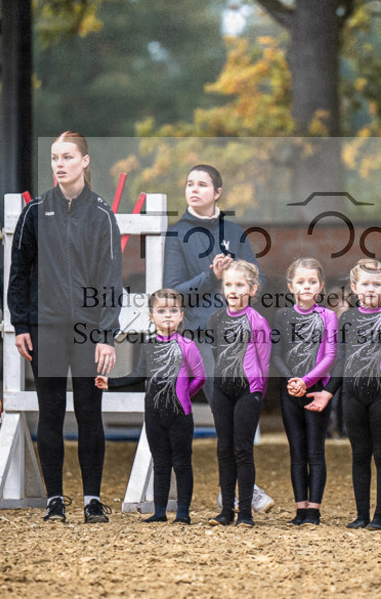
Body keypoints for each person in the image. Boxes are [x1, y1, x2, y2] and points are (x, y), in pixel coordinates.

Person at [8, 131, 122, 524]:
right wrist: (20, 321)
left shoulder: (102, 215)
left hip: (90, 331)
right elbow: (19, 272)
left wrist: (107, 334)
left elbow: (111, 278)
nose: (59, 164)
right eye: (55, 157)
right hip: (46, 328)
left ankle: (92, 500)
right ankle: (54, 500)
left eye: (68, 157)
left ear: (85, 162)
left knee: (90, 414)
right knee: (50, 413)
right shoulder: (35, 212)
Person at [163, 164, 274, 513]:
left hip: (240, 338)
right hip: (200, 338)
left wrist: (239, 282)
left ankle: (238, 490)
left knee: (242, 413)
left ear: (218, 192)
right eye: (189, 184)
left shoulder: (235, 231)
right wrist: (211, 276)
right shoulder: (176, 234)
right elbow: (172, 293)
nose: (194, 189)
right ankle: (240, 491)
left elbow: (261, 282)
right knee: (223, 413)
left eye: (202, 184)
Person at [96, 288, 205, 524]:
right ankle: (159, 511)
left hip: (180, 415)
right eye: (162, 311)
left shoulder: (186, 345)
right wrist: (111, 383)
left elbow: (200, 377)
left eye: (173, 311)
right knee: (161, 464)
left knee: (182, 463)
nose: (168, 315)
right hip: (154, 415)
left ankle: (183, 512)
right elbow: (138, 375)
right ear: (151, 316)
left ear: (181, 315)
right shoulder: (148, 346)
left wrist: (183, 395)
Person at [336, 258, 381, 530]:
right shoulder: (348, 319)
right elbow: (341, 360)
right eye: (365, 283)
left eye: (376, 284)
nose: (370, 289)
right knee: (359, 454)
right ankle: (361, 514)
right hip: (352, 396)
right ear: (354, 287)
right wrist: (331, 394)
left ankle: (380, 517)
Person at [273, 258, 340, 526]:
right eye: (300, 282)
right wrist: (291, 379)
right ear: (291, 286)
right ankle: (300, 508)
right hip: (290, 390)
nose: (306, 286)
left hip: (316, 390)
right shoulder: (282, 316)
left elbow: (331, 355)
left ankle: (314, 510)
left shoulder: (328, 317)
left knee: (315, 450)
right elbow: (275, 355)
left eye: (312, 282)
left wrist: (307, 381)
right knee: (297, 451)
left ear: (321, 286)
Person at [206, 260, 271, 527]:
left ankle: (245, 511)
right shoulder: (216, 319)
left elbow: (263, 361)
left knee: (242, 449)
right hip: (222, 388)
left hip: (248, 390)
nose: (233, 290)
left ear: (252, 289)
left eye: (240, 285)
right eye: (228, 285)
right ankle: (226, 511)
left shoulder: (258, 323)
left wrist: (257, 393)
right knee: (224, 448)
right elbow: (216, 353)